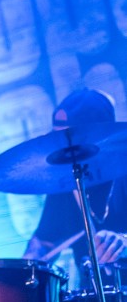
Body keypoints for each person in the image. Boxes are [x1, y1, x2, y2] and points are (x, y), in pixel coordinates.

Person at [24, 89, 127, 279]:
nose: (66, 149)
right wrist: (27, 264)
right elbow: (46, 241)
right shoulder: (66, 182)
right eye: (59, 140)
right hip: (93, 294)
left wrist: (123, 242)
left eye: (72, 139)